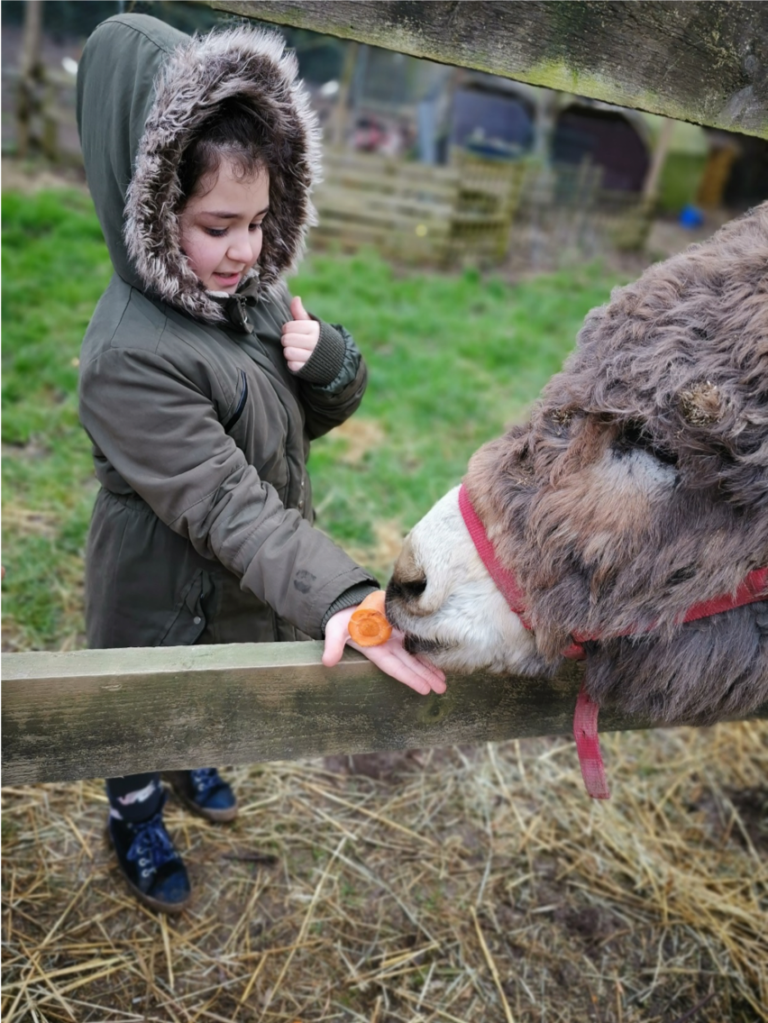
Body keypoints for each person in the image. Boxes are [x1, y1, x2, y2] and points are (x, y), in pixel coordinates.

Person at [75, 13, 445, 915]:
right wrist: (340, 594)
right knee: (141, 699)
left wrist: (324, 359)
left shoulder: (242, 290)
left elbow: (311, 413)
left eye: (260, 221)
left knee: (205, 691)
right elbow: (229, 504)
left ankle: (189, 754)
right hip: (159, 585)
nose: (245, 249)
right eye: (216, 226)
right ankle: (134, 810)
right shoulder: (129, 357)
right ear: (151, 203)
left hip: (237, 578)